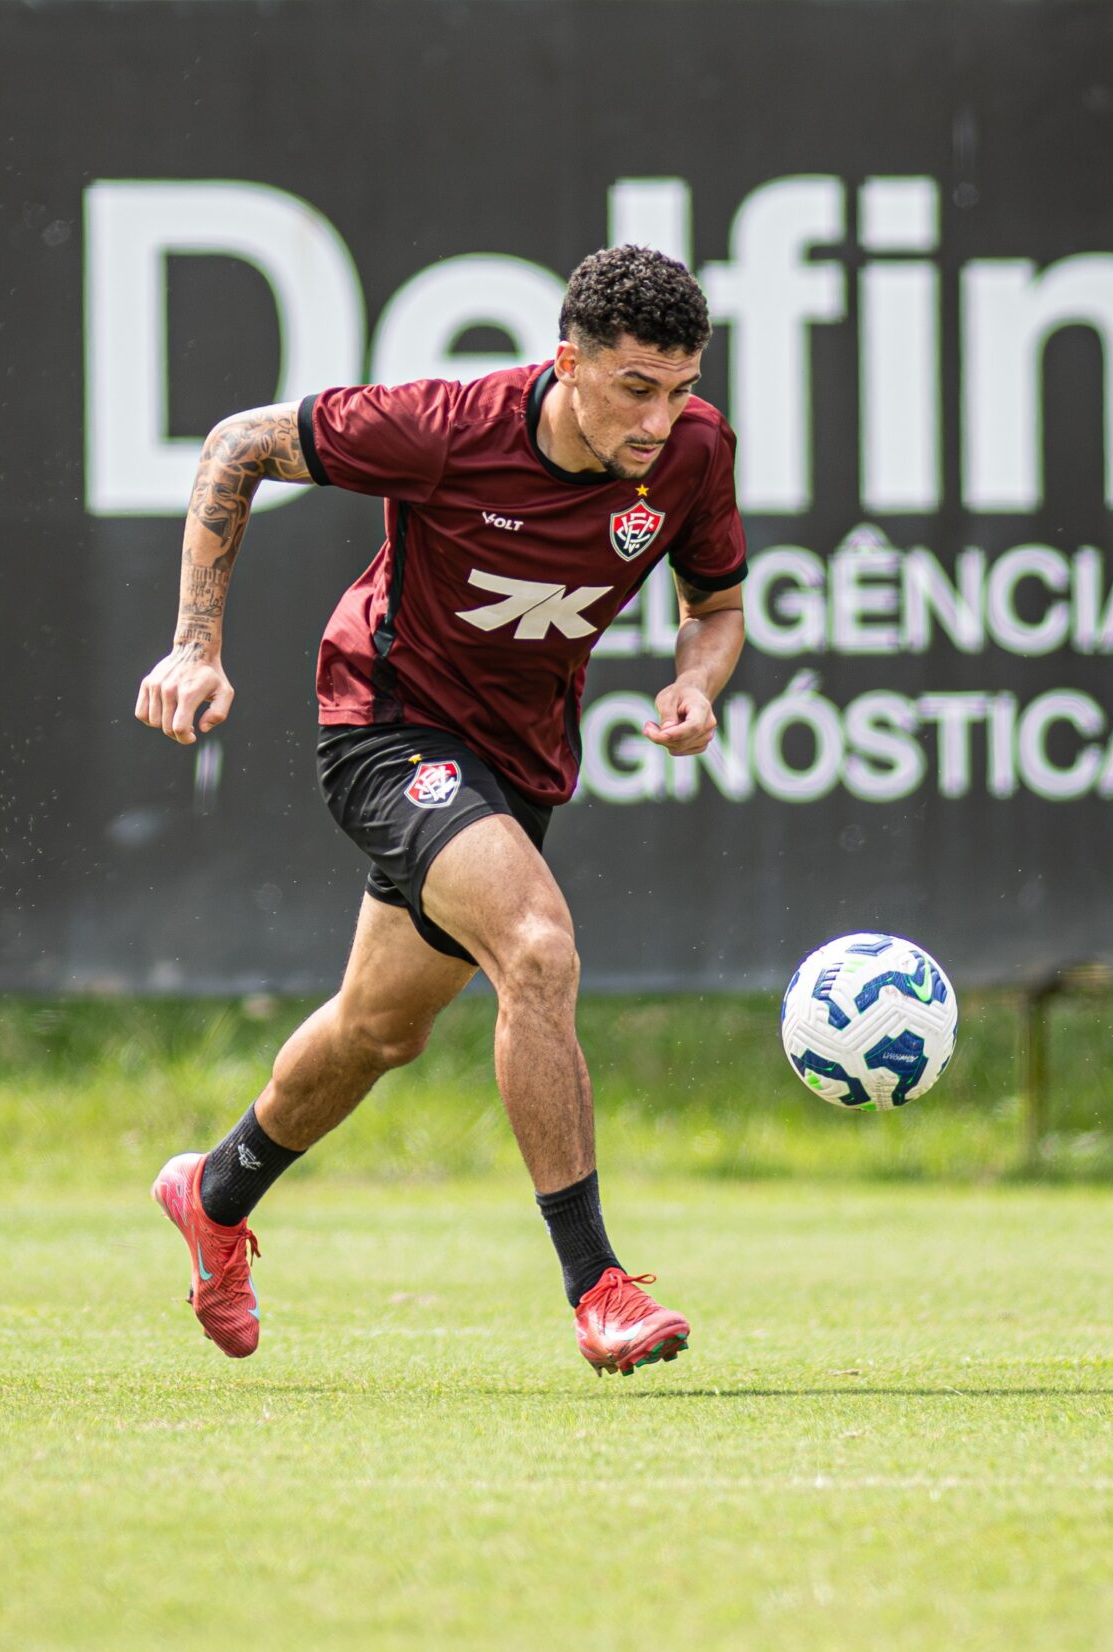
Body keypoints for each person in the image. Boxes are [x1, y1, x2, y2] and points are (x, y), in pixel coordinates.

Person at [133, 246, 747, 1376]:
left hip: (516, 762)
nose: (661, 417)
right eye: (633, 388)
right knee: (538, 947)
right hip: (387, 728)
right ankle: (597, 1284)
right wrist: (193, 644)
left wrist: (696, 682)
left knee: (381, 1029)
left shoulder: (693, 452)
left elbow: (715, 606)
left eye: (680, 386)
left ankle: (212, 1192)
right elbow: (235, 446)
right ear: (567, 364)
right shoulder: (448, 426)